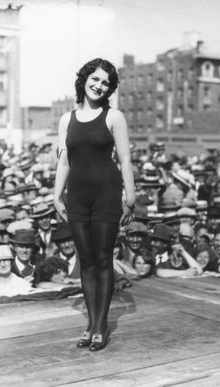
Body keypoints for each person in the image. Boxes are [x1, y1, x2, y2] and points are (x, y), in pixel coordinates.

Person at [54, 58, 135, 351]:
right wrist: (55, 195)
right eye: (95, 79)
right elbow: (64, 161)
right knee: (85, 261)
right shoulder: (67, 119)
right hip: (76, 195)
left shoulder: (114, 117)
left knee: (102, 259)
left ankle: (101, 326)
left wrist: (131, 196)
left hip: (106, 194)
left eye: (105, 83)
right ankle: (90, 324)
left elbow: (125, 159)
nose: (99, 86)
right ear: (84, 79)